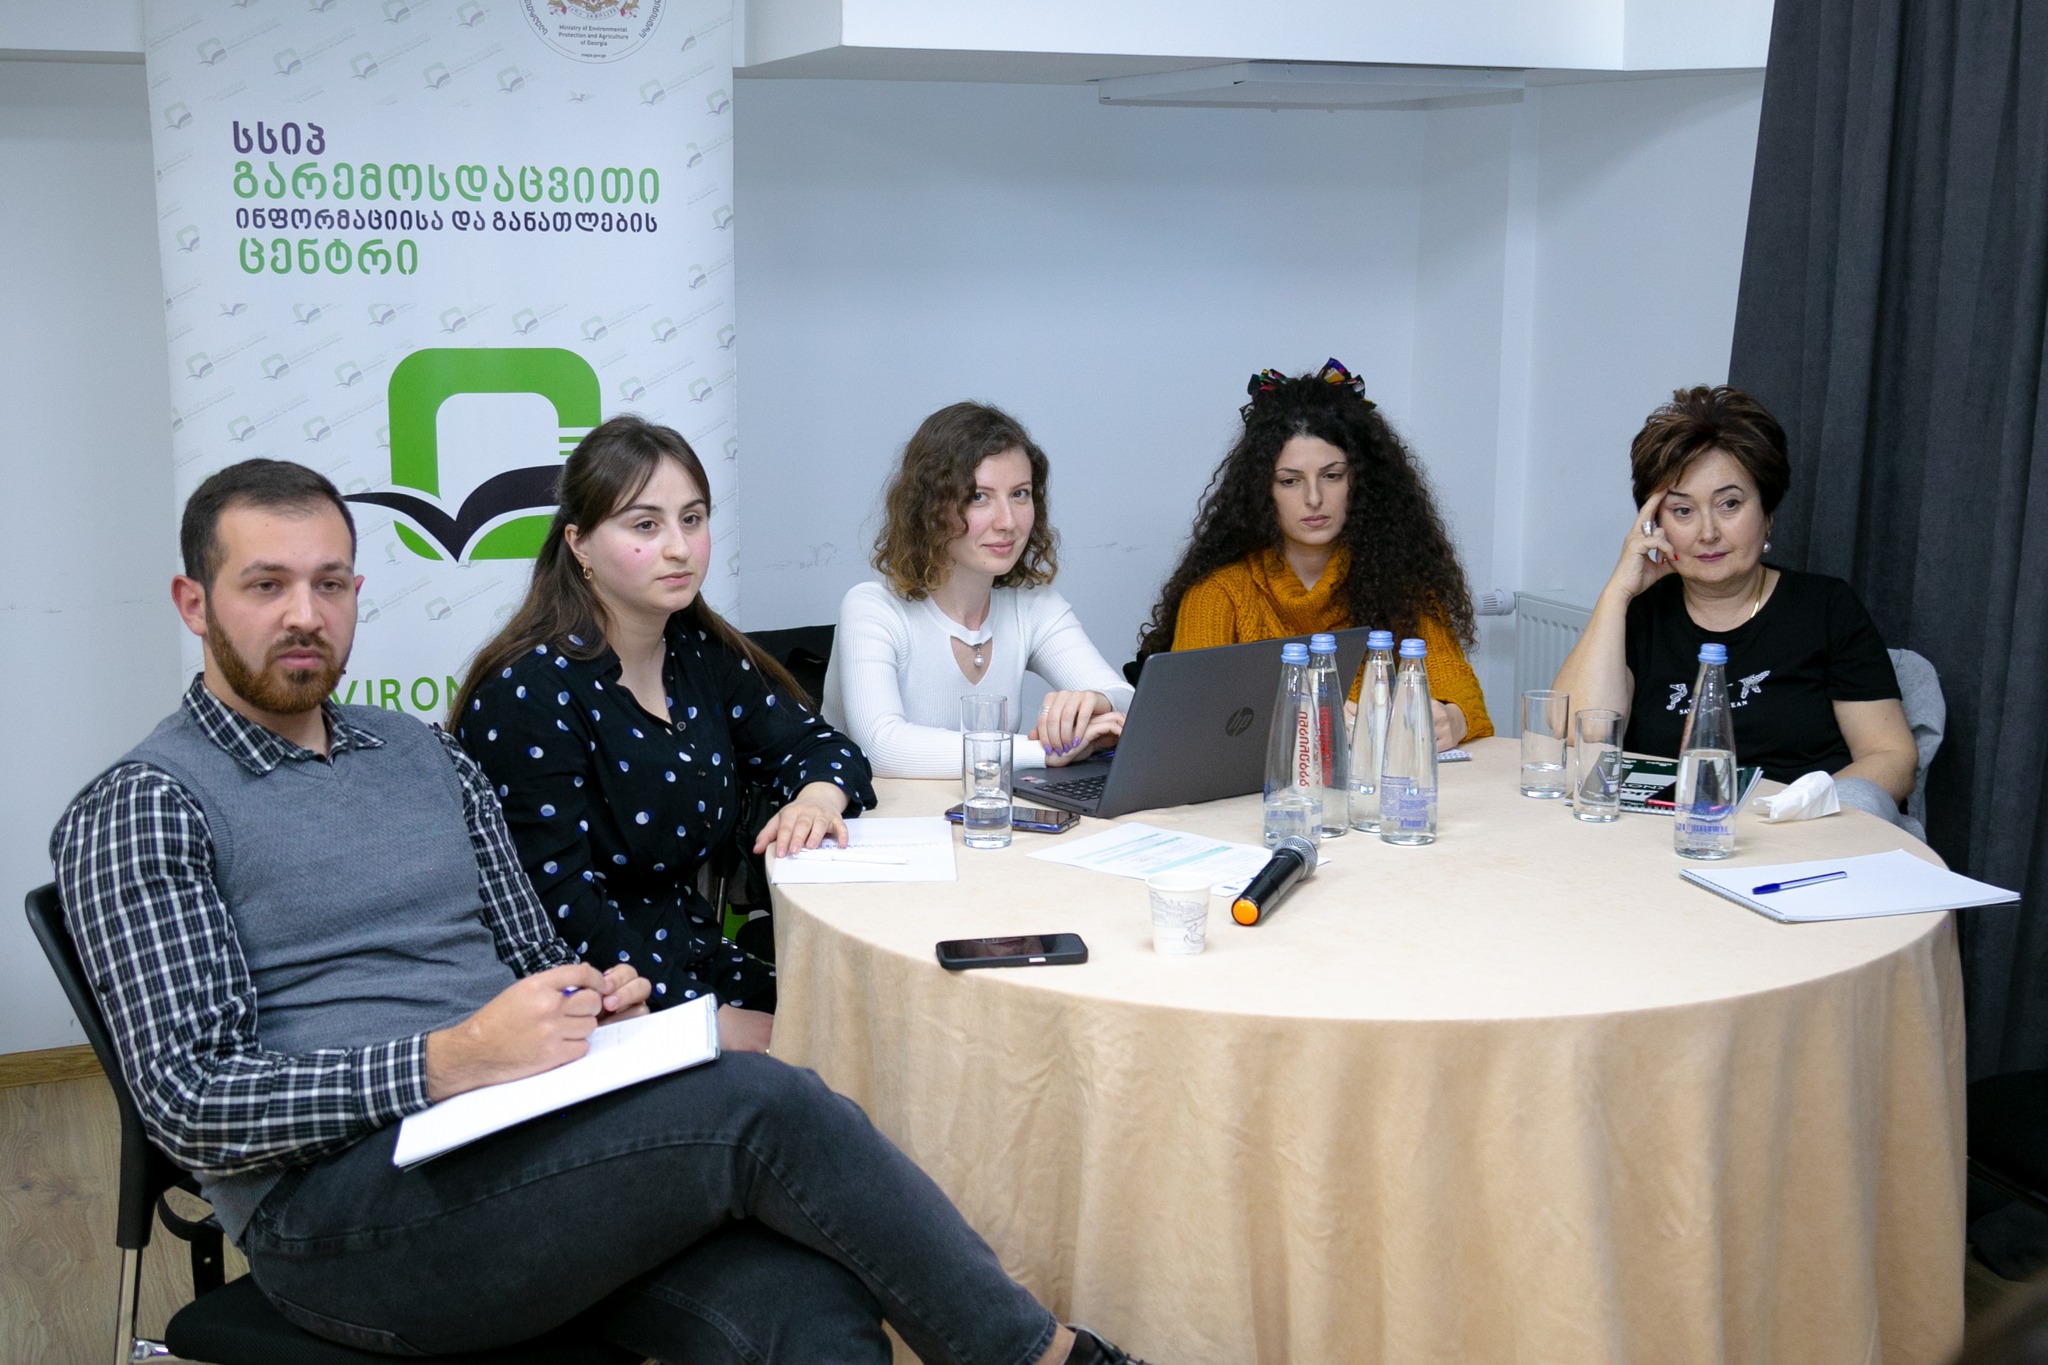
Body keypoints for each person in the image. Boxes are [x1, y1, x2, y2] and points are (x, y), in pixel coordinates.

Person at [49, 458, 1147, 1364]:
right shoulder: (147, 803)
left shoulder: (419, 754)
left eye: (329, 583)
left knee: (806, 1308)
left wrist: (593, 1000)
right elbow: (191, 1103)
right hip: (343, 1221)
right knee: (760, 1106)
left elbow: (532, 948)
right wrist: (452, 1058)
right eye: (266, 585)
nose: (305, 614)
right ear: (193, 603)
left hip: (517, 1144)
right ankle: (1047, 1357)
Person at [452, 416, 868, 1033]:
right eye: (646, 525)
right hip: (592, 1001)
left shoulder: (698, 651)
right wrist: (708, 1022)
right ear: (579, 544)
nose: (679, 547)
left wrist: (817, 799)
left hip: (692, 956)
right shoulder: (529, 691)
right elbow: (555, 907)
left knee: (866, 1026)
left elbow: (822, 747)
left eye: (692, 519)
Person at [1549, 385, 1918, 823]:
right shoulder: (1641, 613)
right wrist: (1617, 592)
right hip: (1663, 838)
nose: (1708, 533)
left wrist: (1795, 816)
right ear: (1653, 524)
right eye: (1682, 511)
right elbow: (1577, 736)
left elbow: (1891, 756)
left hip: (1799, 833)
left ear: (1767, 513)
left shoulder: (1826, 608)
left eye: (1729, 504)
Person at [1138, 359, 1492, 750]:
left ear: (1361, 482)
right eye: (1290, 481)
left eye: (1332, 476)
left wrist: (1452, 718)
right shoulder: (1217, 594)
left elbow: (1461, 693)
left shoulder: (1401, 584)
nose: (1314, 498)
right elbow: (1188, 728)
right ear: (1262, 491)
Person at [824, 401, 1134, 778]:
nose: (1007, 522)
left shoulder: (1035, 606)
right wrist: (1045, 750)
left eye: (1020, 494)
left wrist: (1097, 702)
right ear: (929, 508)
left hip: (988, 810)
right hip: (883, 814)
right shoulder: (871, 608)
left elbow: (1131, 703)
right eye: (978, 497)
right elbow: (882, 747)